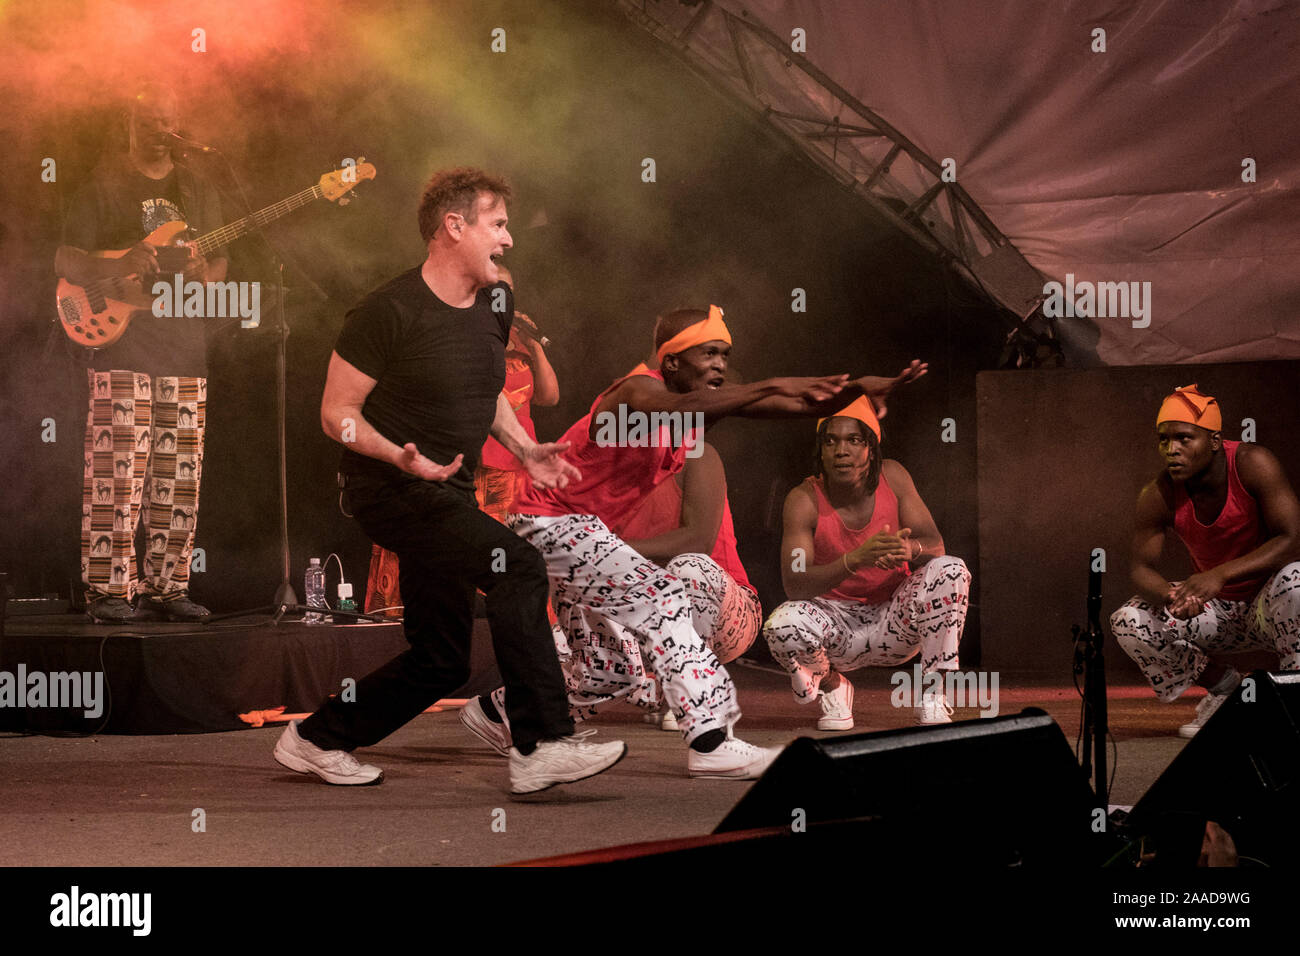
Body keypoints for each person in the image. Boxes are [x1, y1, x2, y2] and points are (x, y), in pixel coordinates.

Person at [459, 304, 926, 778]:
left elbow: (785, 404)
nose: (720, 364)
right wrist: (768, 388)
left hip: (576, 537)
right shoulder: (636, 392)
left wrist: (853, 392)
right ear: (672, 362)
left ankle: (497, 713)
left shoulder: (687, 417)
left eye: (725, 354)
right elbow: (713, 403)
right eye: (709, 353)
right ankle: (709, 741)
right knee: (663, 600)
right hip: (548, 523)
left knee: (611, 671)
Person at [272, 168, 625, 793]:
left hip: (448, 491)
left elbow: (486, 387)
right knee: (517, 567)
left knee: (442, 659)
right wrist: (396, 455)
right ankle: (541, 743)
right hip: (391, 490)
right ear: (453, 227)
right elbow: (336, 415)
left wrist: (524, 446)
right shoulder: (386, 311)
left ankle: (316, 738)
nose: (510, 239)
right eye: (498, 225)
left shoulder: (496, 303)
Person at [56, 82, 227, 623]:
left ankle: (168, 587)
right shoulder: (103, 187)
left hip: (185, 347)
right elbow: (65, 259)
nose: (161, 129)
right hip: (120, 345)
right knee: (117, 472)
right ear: (132, 122)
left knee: (180, 475)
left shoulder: (198, 187)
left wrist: (206, 273)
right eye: (151, 119)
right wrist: (119, 261)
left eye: (168, 120)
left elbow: (221, 263)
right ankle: (108, 591)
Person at [361, 263, 559, 613]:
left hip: (510, 469)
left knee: (510, 562)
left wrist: (533, 344)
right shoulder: (451, 332)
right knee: (450, 559)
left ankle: (505, 639)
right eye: (492, 290)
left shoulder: (514, 343)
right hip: (456, 465)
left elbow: (548, 396)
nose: (499, 298)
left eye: (505, 293)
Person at [763, 397, 970, 730]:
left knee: (951, 569)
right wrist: (854, 560)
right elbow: (794, 583)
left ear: (871, 448)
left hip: (895, 621)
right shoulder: (802, 499)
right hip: (836, 629)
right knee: (780, 624)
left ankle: (932, 693)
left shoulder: (895, 477)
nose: (840, 450)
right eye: (830, 441)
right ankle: (833, 688)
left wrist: (910, 549)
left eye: (853, 440)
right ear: (821, 451)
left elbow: (936, 546)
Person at [1110, 384, 1300, 736]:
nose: (1172, 450)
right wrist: (1172, 596)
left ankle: (1292, 702)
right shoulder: (1158, 493)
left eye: (1184, 438)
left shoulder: (1251, 463)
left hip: (1271, 607)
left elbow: (1293, 540)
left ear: (1214, 441)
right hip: (1216, 613)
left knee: (1298, 580)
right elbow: (1140, 568)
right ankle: (1226, 690)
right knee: (1129, 619)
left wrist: (1219, 574)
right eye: (1164, 440)